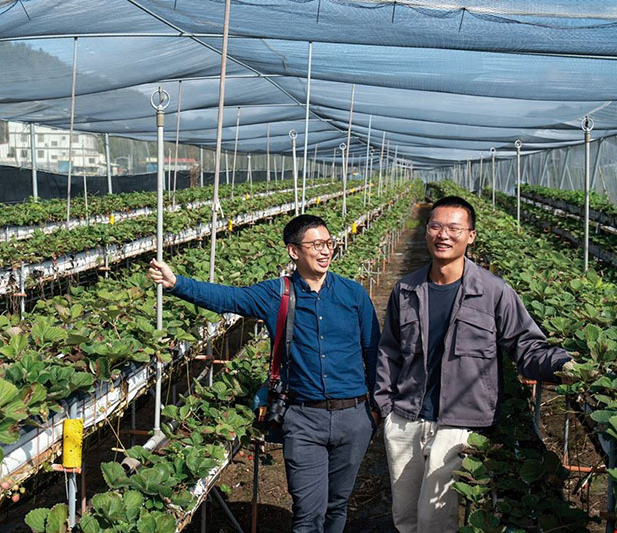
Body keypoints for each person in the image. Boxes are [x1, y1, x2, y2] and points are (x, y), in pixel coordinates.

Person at [149, 214, 380, 533]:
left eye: (328, 243)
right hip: (303, 419)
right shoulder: (277, 294)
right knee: (306, 513)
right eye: (316, 244)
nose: (325, 251)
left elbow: (373, 349)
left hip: (352, 416)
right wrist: (177, 284)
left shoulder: (353, 294)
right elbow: (229, 298)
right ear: (294, 251)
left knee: (336, 506)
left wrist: (374, 408)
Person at [372, 195, 574, 533]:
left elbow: (525, 344)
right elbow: (388, 350)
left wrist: (563, 365)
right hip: (406, 416)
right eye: (435, 226)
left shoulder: (493, 291)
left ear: (471, 236)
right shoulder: (407, 289)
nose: (443, 235)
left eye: (454, 228)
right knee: (405, 516)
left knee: (434, 519)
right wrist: (385, 405)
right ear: (426, 232)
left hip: (459, 419)